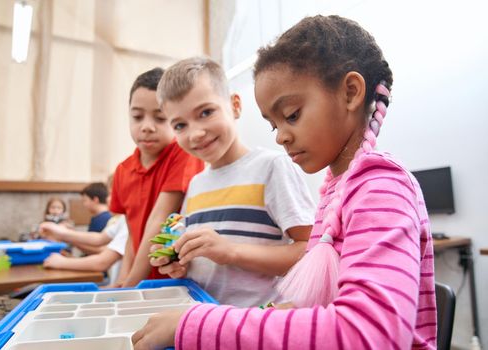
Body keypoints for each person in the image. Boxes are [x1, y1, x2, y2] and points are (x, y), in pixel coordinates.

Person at [132, 15, 437, 350]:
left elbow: (368, 334)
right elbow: (321, 302)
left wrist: (199, 324)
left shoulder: (381, 189)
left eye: (291, 115)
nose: (281, 137)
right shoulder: (338, 191)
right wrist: (270, 314)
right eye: (272, 125)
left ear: (350, 92)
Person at [149, 56, 314, 307]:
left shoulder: (271, 167)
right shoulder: (195, 185)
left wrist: (231, 251)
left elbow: (310, 252)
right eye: (180, 125)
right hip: (204, 320)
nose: (196, 133)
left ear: (235, 105)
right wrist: (180, 263)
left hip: (255, 327)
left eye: (206, 112)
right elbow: (201, 262)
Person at [109, 68, 204, 288]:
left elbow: (160, 217)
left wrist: (132, 282)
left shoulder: (183, 152)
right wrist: (124, 279)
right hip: (138, 282)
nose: (147, 127)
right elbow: (132, 235)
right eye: (137, 116)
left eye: (160, 118)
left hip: (176, 282)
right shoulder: (123, 170)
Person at [43, 215, 127, 284]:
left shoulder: (127, 220)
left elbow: (102, 261)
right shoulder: (124, 217)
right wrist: (62, 233)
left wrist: (61, 262)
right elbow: (99, 238)